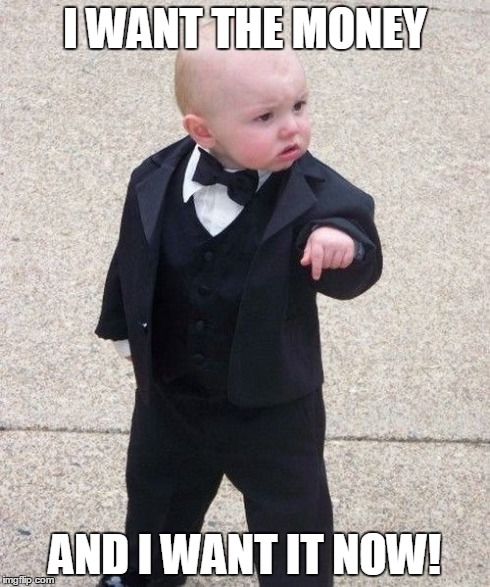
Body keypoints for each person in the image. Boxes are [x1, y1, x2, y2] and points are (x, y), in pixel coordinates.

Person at [95, 22, 382, 587]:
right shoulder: (153, 179)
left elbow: (360, 255)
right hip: (172, 395)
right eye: (265, 117)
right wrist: (123, 328)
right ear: (202, 130)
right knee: (157, 496)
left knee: (292, 516)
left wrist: (343, 245)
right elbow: (132, 258)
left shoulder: (316, 193)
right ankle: (143, 576)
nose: (292, 127)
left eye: (299, 105)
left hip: (273, 403)